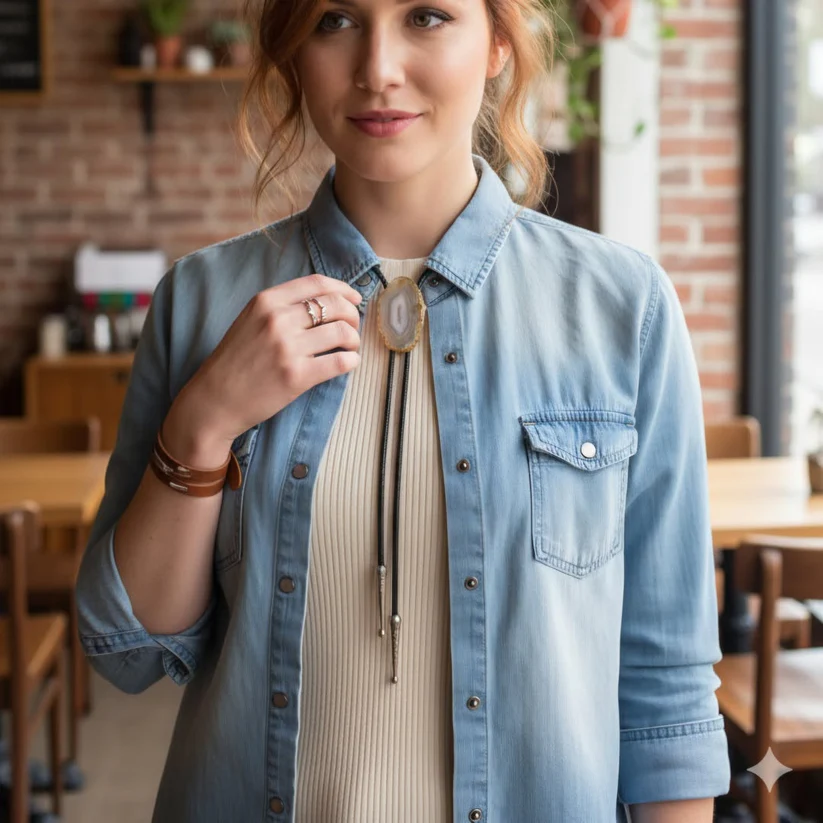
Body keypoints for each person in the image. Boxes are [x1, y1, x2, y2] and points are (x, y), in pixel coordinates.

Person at [75, 0, 731, 821]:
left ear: (497, 41)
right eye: (336, 20)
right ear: (291, 50)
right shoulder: (200, 301)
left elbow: (664, 694)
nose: (378, 68)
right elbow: (130, 652)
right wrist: (203, 423)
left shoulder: (620, 309)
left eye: (426, 16)